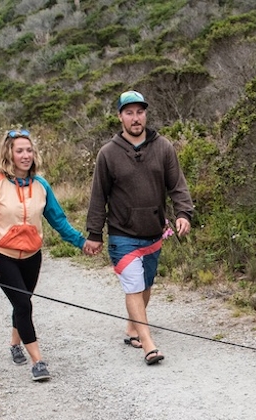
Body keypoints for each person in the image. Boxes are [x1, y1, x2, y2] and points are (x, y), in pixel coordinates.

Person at [83, 90, 194, 365]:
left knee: (145, 285)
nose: (136, 118)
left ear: (146, 114)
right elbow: (99, 196)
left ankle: (132, 328)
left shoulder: (163, 147)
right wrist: (95, 233)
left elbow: (177, 185)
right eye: (129, 112)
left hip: (153, 231)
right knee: (133, 285)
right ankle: (148, 344)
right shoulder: (108, 154)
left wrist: (183, 213)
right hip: (122, 233)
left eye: (140, 112)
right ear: (120, 116)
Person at [0, 127, 87, 382]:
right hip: (2, 254)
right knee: (24, 304)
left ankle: (15, 344)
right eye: (20, 151)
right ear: (9, 154)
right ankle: (38, 361)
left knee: (20, 304)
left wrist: (81, 242)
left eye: (29, 150)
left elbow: (58, 220)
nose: (26, 155)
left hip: (32, 256)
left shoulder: (41, 185)